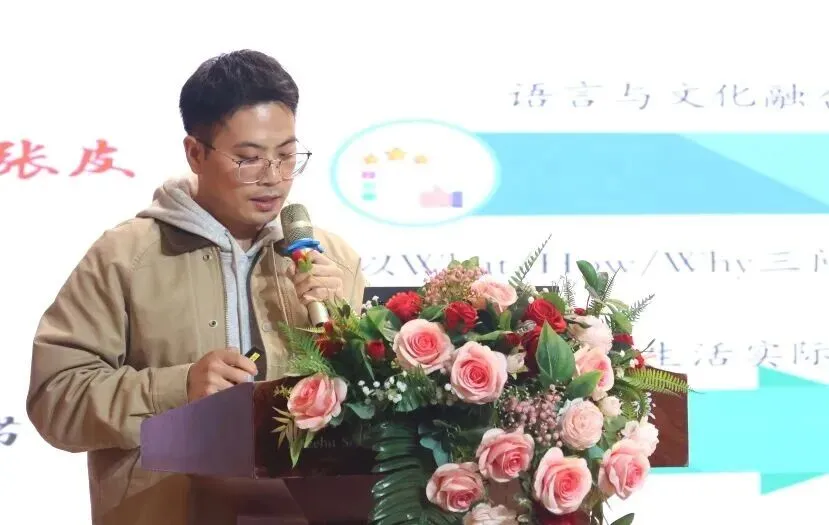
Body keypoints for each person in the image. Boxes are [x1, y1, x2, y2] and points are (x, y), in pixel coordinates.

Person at [26, 50, 366, 525]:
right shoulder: (126, 256)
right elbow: (56, 399)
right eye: (248, 159)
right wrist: (178, 387)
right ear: (195, 153)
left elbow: (370, 416)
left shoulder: (334, 260)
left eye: (287, 156)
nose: (273, 178)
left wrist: (346, 333)